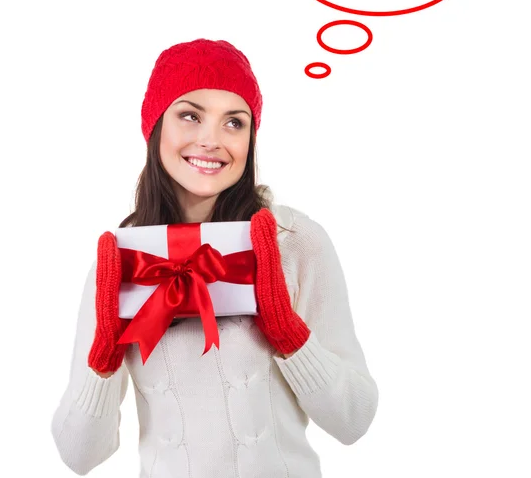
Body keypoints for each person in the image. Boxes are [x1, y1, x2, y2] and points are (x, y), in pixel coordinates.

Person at [50, 38, 379, 477]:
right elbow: (78, 455)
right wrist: (103, 359)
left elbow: (354, 420)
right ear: (156, 128)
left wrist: (288, 334)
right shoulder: (123, 261)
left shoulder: (296, 241)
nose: (211, 140)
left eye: (234, 123)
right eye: (190, 115)